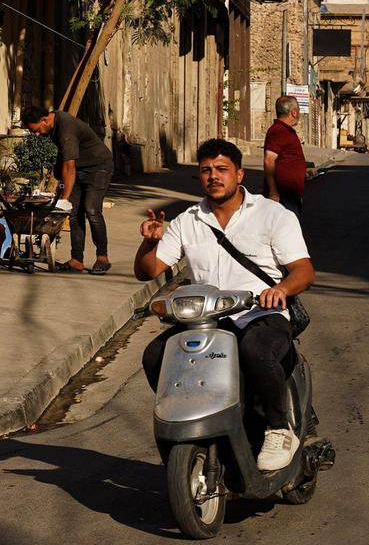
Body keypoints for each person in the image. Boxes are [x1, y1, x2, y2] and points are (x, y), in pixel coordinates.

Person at [135, 138, 315, 473]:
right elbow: (148, 270)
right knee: (155, 356)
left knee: (254, 351)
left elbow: (304, 270)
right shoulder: (188, 220)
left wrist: (280, 289)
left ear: (239, 174)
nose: (213, 177)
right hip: (205, 321)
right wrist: (150, 241)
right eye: (206, 171)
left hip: (261, 314)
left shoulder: (272, 214)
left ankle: (278, 429)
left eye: (221, 169)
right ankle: (192, 420)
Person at [24, 105, 115, 274]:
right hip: (81, 168)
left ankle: (102, 258)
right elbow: (63, 161)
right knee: (74, 214)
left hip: (99, 167)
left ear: (44, 120)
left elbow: (69, 166)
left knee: (92, 209)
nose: (37, 134)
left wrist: (64, 198)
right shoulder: (53, 124)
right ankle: (76, 260)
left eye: (36, 130)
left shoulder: (66, 129)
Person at [262, 94, 308, 215]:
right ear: (293, 112)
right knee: (285, 230)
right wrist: (273, 190)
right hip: (282, 196)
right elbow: (269, 159)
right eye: (298, 110)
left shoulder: (285, 131)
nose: (299, 114)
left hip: (290, 194)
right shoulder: (279, 131)